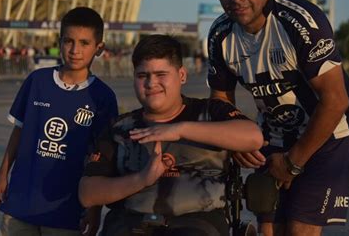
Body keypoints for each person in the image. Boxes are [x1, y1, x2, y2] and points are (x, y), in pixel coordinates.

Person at [207, 0, 349, 236]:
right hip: (275, 129)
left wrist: (292, 163)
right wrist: (236, 138)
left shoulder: (300, 21)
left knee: (300, 229)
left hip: (327, 128)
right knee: (268, 228)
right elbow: (220, 97)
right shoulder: (220, 34)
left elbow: (336, 100)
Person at [79, 34, 263, 236]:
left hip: (198, 223)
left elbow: (253, 136)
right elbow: (88, 194)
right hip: (130, 224)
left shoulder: (210, 113)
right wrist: (142, 179)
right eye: (143, 76)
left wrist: (179, 130)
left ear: (182, 75)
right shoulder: (120, 128)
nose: (151, 83)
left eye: (161, 74)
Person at [0, 7, 118, 236]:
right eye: (68, 41)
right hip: (22, 203)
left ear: (99, 48)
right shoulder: (37, 81)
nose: (75, 50)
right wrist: (2, 176)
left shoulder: (103, 97)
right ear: (60, 42)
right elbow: (18, 133)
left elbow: (102, 159)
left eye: (84, 43)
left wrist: (94, 209)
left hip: (67, 211)